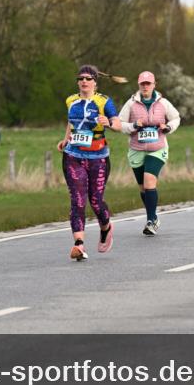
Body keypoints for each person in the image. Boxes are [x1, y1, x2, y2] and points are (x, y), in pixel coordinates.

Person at [57, 64, 121, 260]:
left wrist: (108, 123)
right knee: (77, 200)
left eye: (88, 78)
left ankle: (106, 226)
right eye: (80, 78)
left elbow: (118, 124)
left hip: (98, 157)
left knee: (96, 201)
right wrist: (66, 138)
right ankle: (79, 244)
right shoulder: (71, 100)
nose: (84, 81)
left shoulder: (104, 102)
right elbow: (71, 121)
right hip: (73, 156)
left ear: (95, 81)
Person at [119, 71, 181, 231]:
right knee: (142, 188)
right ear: (139, 85)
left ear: (154, 85)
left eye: (148, 84)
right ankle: (153, 216)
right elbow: (119, 123)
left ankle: (150, 221)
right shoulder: (131, 103)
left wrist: (168, 127)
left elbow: (176, 118)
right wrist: (133, 126)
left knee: (149, 181)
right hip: (136, 149)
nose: (145, 86)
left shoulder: (163, 103)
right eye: (142, 84)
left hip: (157, 148)